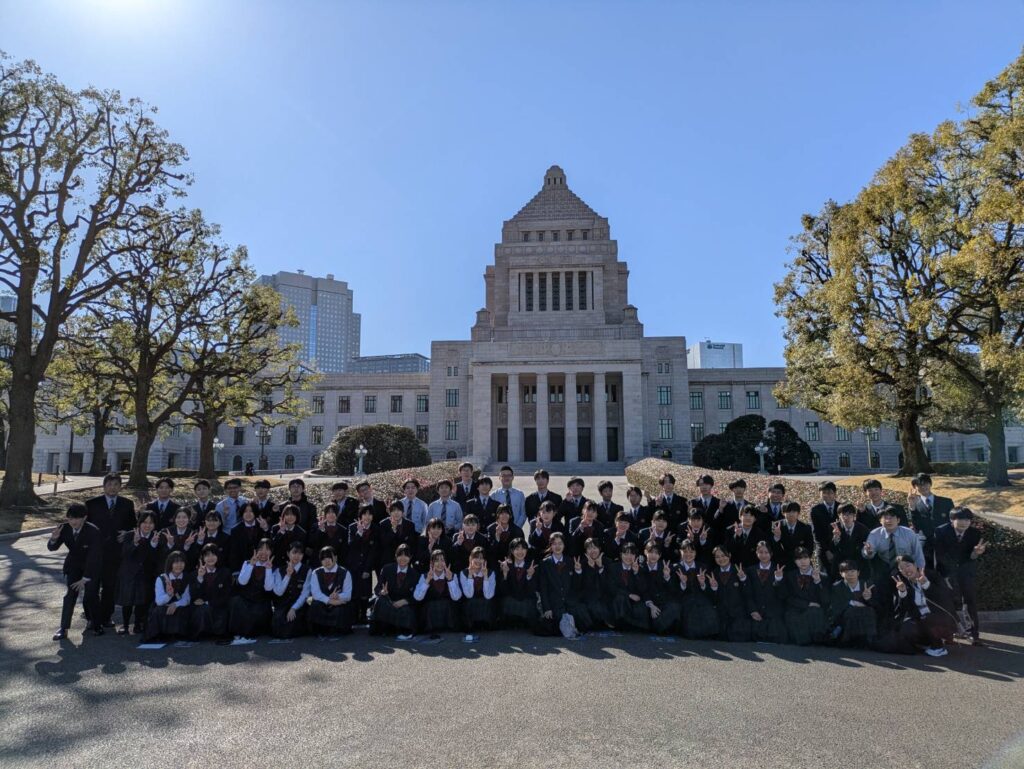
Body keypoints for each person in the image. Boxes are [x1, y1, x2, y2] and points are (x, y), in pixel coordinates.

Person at [84, 472, 136, 629]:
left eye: (116, 485)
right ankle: (92, 618)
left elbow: (133, 526)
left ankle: (106, 617)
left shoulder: (127, 504)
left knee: (110, 587)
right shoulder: (91, 504)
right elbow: (85, 526)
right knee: (91, 588)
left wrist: (127, 534)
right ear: (104, 486)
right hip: (95, 553)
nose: (112, 488)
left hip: (115, 553)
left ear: (120, 487)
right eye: (109, 484)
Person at [879, 555, 957, 657]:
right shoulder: (905, 584)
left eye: (908, 565)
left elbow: (945, 596)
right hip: (922, 620)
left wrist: (926, 584)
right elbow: (902, 610)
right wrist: (902, 592)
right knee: (906, 627)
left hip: (942, 618)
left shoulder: (932, 575)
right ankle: (927, 643)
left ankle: (938, 647)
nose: (906, 570)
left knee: (928, 618)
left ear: (915, 565)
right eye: (902, 568)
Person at [48, 504, 103, 640]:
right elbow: (52, 548)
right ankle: (64, 628)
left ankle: (96, 624)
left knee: (91, 595)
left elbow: (94, 557)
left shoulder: (93, 531)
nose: (73, 522)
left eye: (77, 518)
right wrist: (54, 538)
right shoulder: (64, 528)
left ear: (84, 518)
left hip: (91, 567)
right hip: (73, 565)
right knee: (70, 595)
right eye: (70, 518)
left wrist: (85, 578)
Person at [934, 507, 986, 645]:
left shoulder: (975, 533)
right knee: (948, 601)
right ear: (952, 520)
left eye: (968, 520)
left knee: (970, 600)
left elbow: (972, 556)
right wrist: (947, 574)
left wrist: (976, 553)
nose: (965, 523)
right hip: (946, 571)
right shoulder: (941, 531)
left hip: (966, 570)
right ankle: (949, 633)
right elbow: (939, 554)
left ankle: (973, 634)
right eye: (961, 519)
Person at [117, 511, 160, 635]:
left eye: (151, 523)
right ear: (139, 523)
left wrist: (153, 545)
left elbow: (155, 558)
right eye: (144, 522)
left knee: (142, 601)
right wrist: (134, 543)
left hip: (146, 573)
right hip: (129, 572)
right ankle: (125, 625)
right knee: (127, 601)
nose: (147, 525)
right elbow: (124, 554)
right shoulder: (130, 535)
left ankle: (137, 624)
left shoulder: (156, 536)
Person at [862, 508, 925, 586]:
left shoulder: (909, 533)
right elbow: (867, 553)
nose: (889, 521)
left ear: (898, 520)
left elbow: (918, 554)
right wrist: (868, 552)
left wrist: (920, 572)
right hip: (885, 568)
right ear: (880, 521)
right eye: (885, 518)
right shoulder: (874, 534)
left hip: (906, 568)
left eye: (892, 517)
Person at [781, 547, 829, 646]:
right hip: (796, 609)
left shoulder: (823, 576)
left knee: (815, 612)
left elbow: (826, 600)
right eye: (799, 559)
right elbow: (788, 597)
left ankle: (817, 640)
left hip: (815, 612)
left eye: (806, 558)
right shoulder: (790, 576)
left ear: (811, 559)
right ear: (795, 561)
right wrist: (807, 604)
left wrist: (817, 581)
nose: (803, 561)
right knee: (791, 616)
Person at [229, 538, 274, 643]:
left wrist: (268, 569)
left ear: (271, 552)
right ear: (256, 550)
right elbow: (242, 582)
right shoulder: (247, 563)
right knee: (236, 602)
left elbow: (268, 588)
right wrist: (251, 565)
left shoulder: (272, 567)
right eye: (261, 549)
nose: (263, 552)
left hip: (261, 601)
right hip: (246, 599)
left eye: (267, 549)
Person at [371, 544, 420, 639]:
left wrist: (405, 601)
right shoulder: (387, 569)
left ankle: (402, 630)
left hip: (404, 603)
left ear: (410, 557)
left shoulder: (415, 574)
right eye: (400, 555)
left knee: (408, 611)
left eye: (406, 555)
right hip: (389, 601)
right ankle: (384, 629)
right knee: (379, 601)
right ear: (396, 556)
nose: (403, 558)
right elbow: (377, 588)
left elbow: (417, 596)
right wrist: (382, 592)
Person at [743, 541, 787, 644]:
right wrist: (753, 610)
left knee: (776, 634)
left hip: (773, 612)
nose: (763, 555)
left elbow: (783, 595)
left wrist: (778, 579)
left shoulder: (779, 570)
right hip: (756, 610)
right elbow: (747, 594)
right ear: (756, 553)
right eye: (761, 552)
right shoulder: (750, 570)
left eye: (766, 552)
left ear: (771, 554)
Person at [188, 543, 233, 643]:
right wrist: (200, 577)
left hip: (219, 605)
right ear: (202, 558)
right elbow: (194, 595)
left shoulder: (225, 572)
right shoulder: (194, 574)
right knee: (201, 610)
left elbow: (227, 594)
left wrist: (208, 602)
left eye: (213, 554)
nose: (210, 558)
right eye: (207, 555)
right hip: (202, 608)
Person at [828, 560, 878, 648]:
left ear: (858, 573)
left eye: (852, 571)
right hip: (845, 616)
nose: (850, 574)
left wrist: (868, 599)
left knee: (869, 611)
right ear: (841, 574)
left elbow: (877, 604)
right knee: (851, 612)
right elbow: (835, 607)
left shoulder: (867, 585)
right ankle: (848, 639)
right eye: (846, 572)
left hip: (865, 613)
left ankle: (868, 640)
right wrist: (852, 603)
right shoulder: (837, 587)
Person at [413, 550, 462, 639]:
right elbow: (417, 597)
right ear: (431, 563)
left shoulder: (453, 575)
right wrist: (427, 580)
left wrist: (450, 580)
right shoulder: (424, 576)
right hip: (430, 619)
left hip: (449, 617)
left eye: (442, 560)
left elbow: (456, 597)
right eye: (436, 560)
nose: (440, 563)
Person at [706, 545, 751, 642]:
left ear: (729, 555)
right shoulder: (713, 573)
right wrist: (714, 588)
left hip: (738, 614)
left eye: (723, 555)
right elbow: (712, 599)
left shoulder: (740, 570)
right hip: (721, 615)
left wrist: (743, 579)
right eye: (717, 557)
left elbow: (748, 593)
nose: (721, 559)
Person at [675, 540, 718, 639]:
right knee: (690, 610)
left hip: (701, 597)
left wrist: (702, 583)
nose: (688, 554)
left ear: (695, 553)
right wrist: (683, 583)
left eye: (691, 552)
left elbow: (708, 590)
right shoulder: (676, 568)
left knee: (708, 608)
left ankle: (709, 634)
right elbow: (673, 591)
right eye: (685, 551)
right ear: (680, 552)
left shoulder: (703, 567)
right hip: (684, 598)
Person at [145, 551, 192, 642]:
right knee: (159, 611)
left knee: (184, 610)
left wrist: (175, 604)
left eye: (181, 562)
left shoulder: (187, 578)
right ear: (170, 563)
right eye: (176, 562)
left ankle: (179, 635)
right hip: (164, 605)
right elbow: (159, 601)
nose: (179, 565)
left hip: (180, 605)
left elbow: (187, 598)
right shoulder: (161, 578)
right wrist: (169, 595)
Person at [908, 472, 955, 565]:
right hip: (926, 545)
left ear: (930, 484)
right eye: (919, 485)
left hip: (945, 543)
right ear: (915, 487)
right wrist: (912, 507)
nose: (923, 487)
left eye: (925, 483)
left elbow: (953, 522)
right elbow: (916, 527)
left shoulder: (946, 502)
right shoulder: (914, 504)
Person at [536, 532, 576, 637]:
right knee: (548, 626)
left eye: (560, 543)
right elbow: (543, 588)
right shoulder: (545, 563)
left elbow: (576, 585)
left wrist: (578, 571)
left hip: (569, 603)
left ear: (564, 545)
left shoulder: (571, 561)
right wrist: (547, 608)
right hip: (553, 603)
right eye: (554, 544)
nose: (557, 546)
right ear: (550, 546)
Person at [566, 538, 611, 632]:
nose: (592, 551)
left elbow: (607, 585)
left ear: (599, 549)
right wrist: (584, 569)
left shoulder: (607, 562)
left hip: (604, 597)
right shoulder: (581, 563)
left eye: (595, 548)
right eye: (589, 548)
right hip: (588, 598)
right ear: (586, 551)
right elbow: (579, 586)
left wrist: (600, 567)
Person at [308, 546, 353, 638]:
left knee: (342, 608)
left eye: (329, 557)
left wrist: (338, 596)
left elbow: (348, 595)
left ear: (335, 557)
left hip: (339, 603)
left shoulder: (345, 572)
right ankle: (320, 630)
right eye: (323, 559)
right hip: (323, 603)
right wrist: (330, 600)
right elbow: (315, 594)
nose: (326, 561)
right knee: (315, 605)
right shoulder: (316, 572)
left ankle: (337, 630)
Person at [270, 541, 311, 639]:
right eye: (294, 552)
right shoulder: (279, 570)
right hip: (283, 604)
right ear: (288, 553)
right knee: (277, 625)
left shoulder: (307, 570)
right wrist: (288, 575)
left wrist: (294, 608)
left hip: (299, 604)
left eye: (300, 553)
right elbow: (279, 592)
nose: (297, 556)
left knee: (294, 623)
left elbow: (305, 593)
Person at [605, 542, 649, 632]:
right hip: (618, 599)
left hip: (634, 601)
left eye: (631, 554)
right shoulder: (613, 567)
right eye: (626, 553)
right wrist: (629, 595)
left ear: (635, 556)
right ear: (621, 555)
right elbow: (611, 588)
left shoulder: (640, 568)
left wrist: (636, 573)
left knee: (641, 610)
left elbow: (643, 589)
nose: (628, 557)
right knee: (620, 599)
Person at [497, 539, 539, 629]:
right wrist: (505, 574)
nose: (520, 552)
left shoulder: (531, 566)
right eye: (517, 549)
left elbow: (532, 591)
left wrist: (529, 576)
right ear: (512, 551)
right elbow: (503, 591)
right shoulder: (506, 566)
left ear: (527, 550)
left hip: (526, 601)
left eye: (523, 548)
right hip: (511, 601)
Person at [641, 542, 681, 635]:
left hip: (664, 602)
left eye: (656, 553)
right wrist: (651, 605)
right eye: (651, 552)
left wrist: (667, 577)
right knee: (640, 610)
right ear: (645, 552)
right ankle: (659, 626)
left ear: (660, 555)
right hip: (648, 602)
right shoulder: (640, 567)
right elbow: (641, 589)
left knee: (675, 607)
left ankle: (658, 626)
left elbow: (673, 589)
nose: (653, 555)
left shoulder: (666, 567)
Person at [347, 506, 378, 625]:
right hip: (354, 565)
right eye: (364, 514)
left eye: (370, 514)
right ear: (360, 516)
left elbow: (374, 551)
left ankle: (364, 614)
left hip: (367, 565)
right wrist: (359, 533)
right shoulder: (352, 527)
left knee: (365, 592)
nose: (367, 517)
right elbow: (351, 545)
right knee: (355, 591)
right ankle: (355, 615)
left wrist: (367, 568)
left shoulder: (375, 528)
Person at [458, 546, 495, 642]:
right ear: (470, 558)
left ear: (485, 560)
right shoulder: (463, 573)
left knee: (488, 602)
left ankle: (486, 624)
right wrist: (470, 575)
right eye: (476, 557)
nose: (478, 560)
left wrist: (485, 576)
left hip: (485, 604)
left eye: (481, 558)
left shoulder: (491, 573)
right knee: (470, 602)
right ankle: (469, 626)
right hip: (470, 604)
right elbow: (469, 595)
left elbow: (488, 595)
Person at [377, 501, 418, 575]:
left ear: (402, 512)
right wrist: (393, 530)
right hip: (388, 561)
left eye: (399, 510)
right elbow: (383, 543)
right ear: (390, 512)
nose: (396, 512)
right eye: (393, 510)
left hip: (404, 561)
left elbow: (412, 544)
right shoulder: (383, 524)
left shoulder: (410, 525)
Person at [229, 503, 271, 573]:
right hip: (243, 567)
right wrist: (235, 570)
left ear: (255, 512)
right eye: (245, 511)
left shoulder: (262, 524)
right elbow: (234, 553)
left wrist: (265, 529)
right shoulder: (235, 530)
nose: (248, 514)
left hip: (262, 565)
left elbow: (269, 543)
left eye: (251, 511)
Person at [771, 502, 814, 568]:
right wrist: (777, 537)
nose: (791, 514)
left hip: (800, 561)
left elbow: (810, 547)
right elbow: (772, 547)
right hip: (782, 562)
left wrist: (801, 560)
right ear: (783, 513)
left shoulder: (805, 527)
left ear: (798, 513)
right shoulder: (776, 526)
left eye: (794, 511)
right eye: (788, 511)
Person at [828, 504, 869, 574]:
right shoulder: (833, 527)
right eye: (843, 514)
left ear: (854, 515)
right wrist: (836, 538)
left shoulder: (863, 529)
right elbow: (832, 549)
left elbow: (863, 550)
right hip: (840, 564)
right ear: (839, 516)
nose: (846, 517)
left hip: (858, 564)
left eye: (849, 514)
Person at [810, 482, 840, 574]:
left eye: (830, 492)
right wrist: (827, 551)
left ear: (835, 493)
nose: (827, 495)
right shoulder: (815, 510)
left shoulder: (841, 508)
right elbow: (816, 533)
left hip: (839, 548)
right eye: (824, 493)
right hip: (823, 549)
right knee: (824, 575)